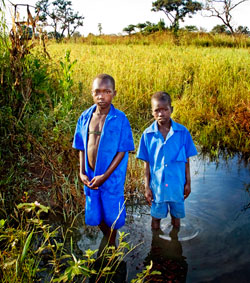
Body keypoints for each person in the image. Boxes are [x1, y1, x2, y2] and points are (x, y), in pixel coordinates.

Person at [73, 74, 134, 244]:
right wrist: (81, 172)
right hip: (91, 176)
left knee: (112, 214)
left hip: (110, 177)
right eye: (97, 92)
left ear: (114, 93)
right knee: (95, 212)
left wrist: (104, 176)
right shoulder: (85, 117)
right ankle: (108, 238)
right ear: (91, 93)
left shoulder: (120, 119)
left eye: (106, 91)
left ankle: (111, 242)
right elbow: (81, 147)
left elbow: (122, 151)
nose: (101, 96)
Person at [136, 91, 197, 229]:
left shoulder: (183, 133)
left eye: (165, 109)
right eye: (157, 110)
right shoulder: (147, 135)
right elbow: (147, 165)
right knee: (156, 219)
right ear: (152, 112)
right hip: (157, 188)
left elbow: (186, 161)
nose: (161, 114)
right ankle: (156, 245)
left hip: (177, 186)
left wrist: (188, 183)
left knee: (176, 219)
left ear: (171, 110)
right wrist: (147, 188)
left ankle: (174, 241)